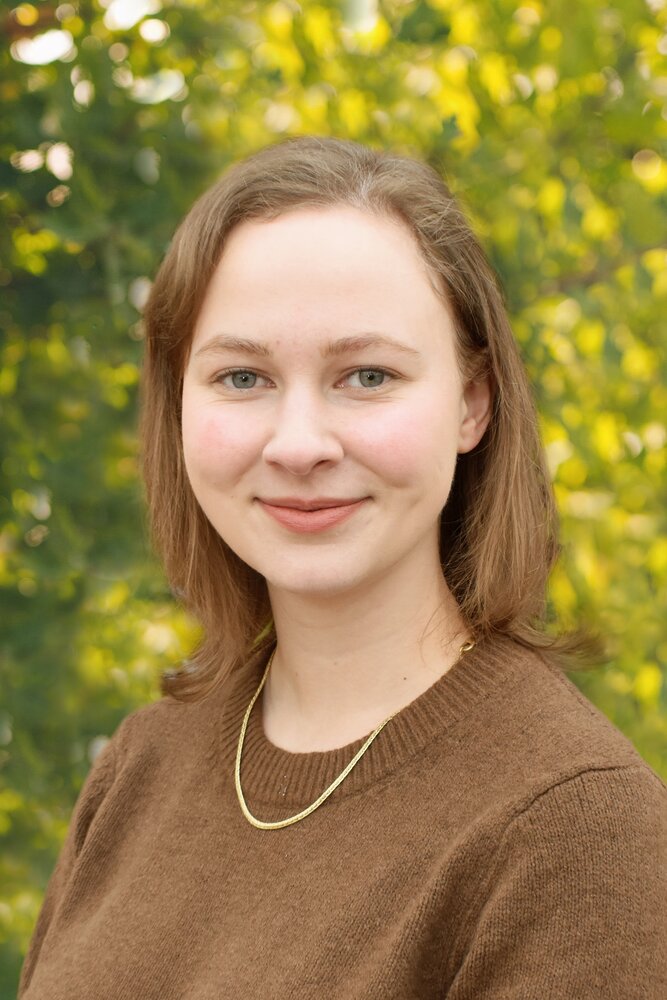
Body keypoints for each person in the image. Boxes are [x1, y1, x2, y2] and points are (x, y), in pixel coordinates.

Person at [19, 136, 666, 999]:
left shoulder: (574, 826)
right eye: (242, 377)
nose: (298, 445)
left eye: (366, 375)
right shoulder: (141, 766)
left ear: (472, 401)